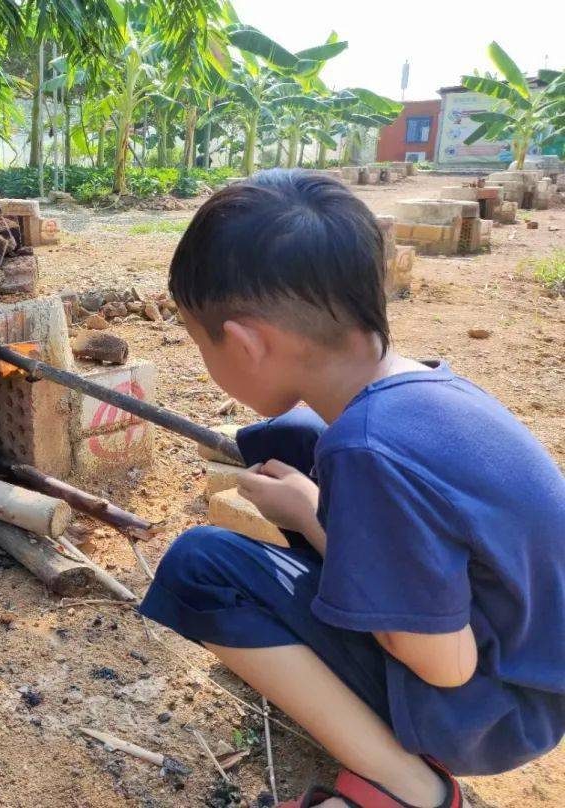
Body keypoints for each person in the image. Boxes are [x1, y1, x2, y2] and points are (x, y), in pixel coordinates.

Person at [139, 169, 565, 808]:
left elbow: (444, 665)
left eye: (203, 343)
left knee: (201, 566)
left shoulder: (367, 452)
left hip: (490, 713)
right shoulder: (417, 389)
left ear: (248, 344)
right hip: (530, 666)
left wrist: (313, 520)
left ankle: (408, 787)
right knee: (293, 434)